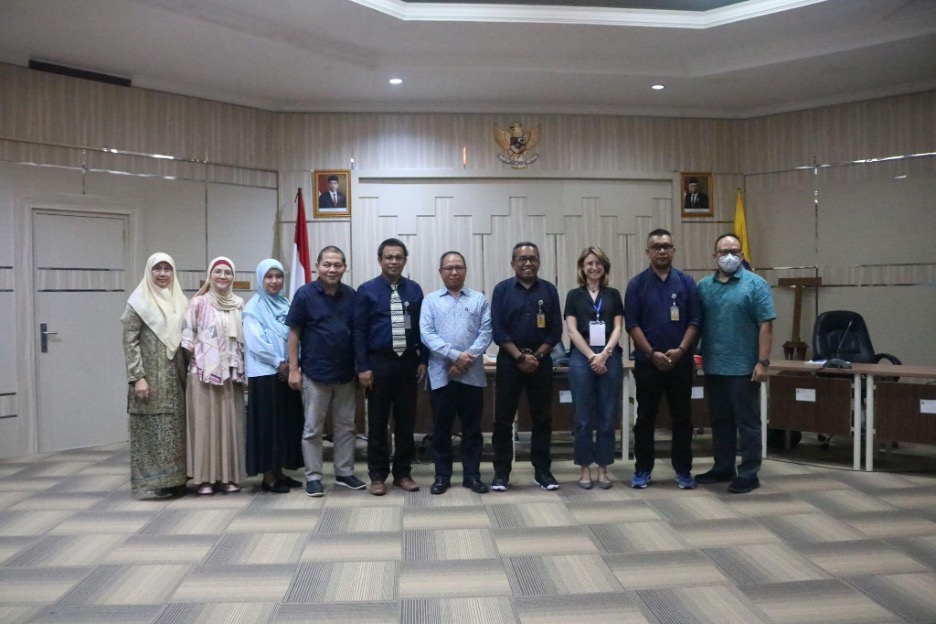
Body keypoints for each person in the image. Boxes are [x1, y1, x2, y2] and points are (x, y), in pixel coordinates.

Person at [696, 234, 776, 494]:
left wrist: (763, 362)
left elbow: (766, 325)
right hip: (714, 366)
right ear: (714, 256)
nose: (728, 256)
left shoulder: (756, 284)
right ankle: (723, 467)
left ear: (742, 255)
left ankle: (750, 473)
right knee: (720, 421)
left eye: (734, 251)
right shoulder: (704, 286)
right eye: (723, 251)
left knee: (747, 422)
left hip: (744, 368)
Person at [625, 229, 701, 490]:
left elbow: (695, 321)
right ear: (648, 251)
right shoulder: (636, 284)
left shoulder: (687, 282)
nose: (662, 251)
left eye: (667, 246)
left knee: (682, 418)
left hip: (680, 362)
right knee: (645, 418)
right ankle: (643, 470)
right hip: (648, 363)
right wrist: (651, 354)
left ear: (674, 250)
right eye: (656, 247)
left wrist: (680, 350)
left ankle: (683, 470)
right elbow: (632, 324)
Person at [286, 246, 365, 497]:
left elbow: (358, 334)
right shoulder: (305, 295)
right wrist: (294, 369)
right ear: (317, 267)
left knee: (346, 427)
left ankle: (344, 473)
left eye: (337, 265)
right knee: (312, 429)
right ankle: (314, 476)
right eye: (327, 264)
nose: (332, 269)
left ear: (344, 267)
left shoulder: (352, 295)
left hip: (345, 374)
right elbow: (294, 333)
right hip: (314, 374)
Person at [353, 238, 427, 496]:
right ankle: (377, 475)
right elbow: (359, 332)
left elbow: (422, 329)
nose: (393, 261)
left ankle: (403, 473)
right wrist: (363, 367)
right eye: (388, 257)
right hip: (378, 364)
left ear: (405, 260)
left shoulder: (415, 290)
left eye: (398, 257)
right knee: (377, 422)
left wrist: (423, 360)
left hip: (407, 363)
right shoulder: (366, 290)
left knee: (406, 422)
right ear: (380, 260)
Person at [490, 242, 563, 491]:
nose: (528, 263)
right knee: (503, 419)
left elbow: (555, 331)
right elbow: (498, 330)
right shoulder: (501, 290)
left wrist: (538, 357)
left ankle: (542, 471)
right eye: (522, 259)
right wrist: (520, 358)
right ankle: (501, 472)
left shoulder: (549, 290)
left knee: (542, 418)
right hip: (510, 362)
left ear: (539, 263)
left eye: (533, 258)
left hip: (541, 363)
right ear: (513, 264)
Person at [420, 251, 492, 495]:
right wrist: (454, 356)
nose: (453, 271)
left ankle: (472, 475)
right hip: (441, 375)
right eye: (448, 268)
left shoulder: (479, 299)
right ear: (440, 272)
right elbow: (426, 334)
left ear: (465, 270)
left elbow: (486, 333)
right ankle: (442, 476)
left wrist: (465, 360)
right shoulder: (430, 301)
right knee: (441, 430)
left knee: (472, 429)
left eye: (458, 267)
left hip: (472, 377)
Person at [120, 252, 189, 499]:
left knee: (176, 430)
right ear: (149, 272)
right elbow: (129, 341)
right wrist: (137, 377)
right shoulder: (138, 302)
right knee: (152, 429)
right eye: (157, 269)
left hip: (176, 377)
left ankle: (177, 479)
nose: (162, 274)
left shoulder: (180, 300)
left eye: (167, 269)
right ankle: (155, 481)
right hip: (149, 378)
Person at [182, 256, 247, 495]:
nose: (222, 276)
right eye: (217, 272)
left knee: (230, 424)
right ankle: (204, 479)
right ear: (210, 275)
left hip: (231, 376)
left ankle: (228, 477)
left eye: (227, 272)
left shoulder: (238, 303)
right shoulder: (198, 303)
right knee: (205, 426)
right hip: (203, 375)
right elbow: (187, 341)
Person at [564, 246, 624, 490]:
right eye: (589, 263)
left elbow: (619, 327)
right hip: (581, 357)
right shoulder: (573, 295)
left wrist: (605, 354)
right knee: (583, 417)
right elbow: (571, 329)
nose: (594, 267)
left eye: (599, 263)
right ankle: (585, 469)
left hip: (610, 355)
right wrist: (592, 356)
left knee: (608, 416)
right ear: (582, 267)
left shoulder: (613, 295)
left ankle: (603, 469)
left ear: (605, 267)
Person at [243, 259, 304, 494]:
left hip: (288, 372)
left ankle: (279, 472)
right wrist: (279, 362)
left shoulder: (285, 303)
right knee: (268, 426)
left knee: (284, 425)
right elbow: (256, 342)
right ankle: (268, 477)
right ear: (261, 279)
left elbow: (295, 333)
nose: (274, 281)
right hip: (266, 374)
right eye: (269, 277)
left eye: (278, 276)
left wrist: (293, 364)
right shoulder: (254, 307)